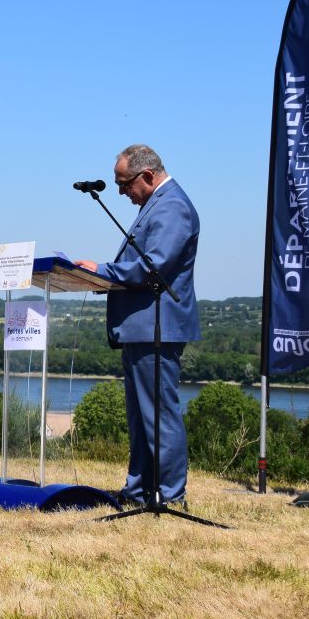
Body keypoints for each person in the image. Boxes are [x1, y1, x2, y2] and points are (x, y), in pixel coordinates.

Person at [74, 144, 199, 506]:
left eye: (124, 184)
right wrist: (102, 279)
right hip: (140, 327)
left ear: (147, 175)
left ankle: (169, 495)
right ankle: (139, 490)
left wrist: (102, 271)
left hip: (156, 326)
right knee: (142, 415)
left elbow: (152, 266)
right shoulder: (157, 204)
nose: (121, 192)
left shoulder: (172, 206)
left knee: (159, 414)